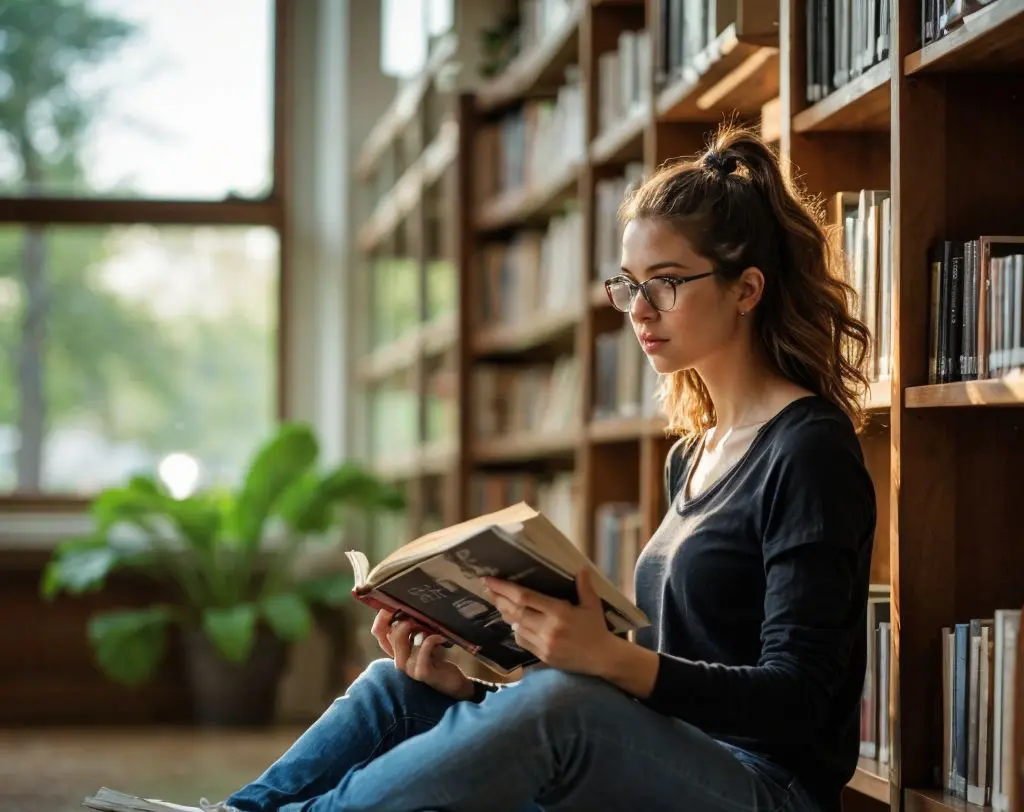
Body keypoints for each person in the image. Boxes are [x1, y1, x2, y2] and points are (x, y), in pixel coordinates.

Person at [207, 122, 878, 812]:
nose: (640, 312)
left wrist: (609, 659)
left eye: (668, 284)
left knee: (563, 701)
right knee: (396, 689)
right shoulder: (695, 452)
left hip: (765, 788)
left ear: (747, 289)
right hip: (673, 753)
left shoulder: (808, 449)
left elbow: (798, 701)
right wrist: (474, 694)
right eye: (630, 286)